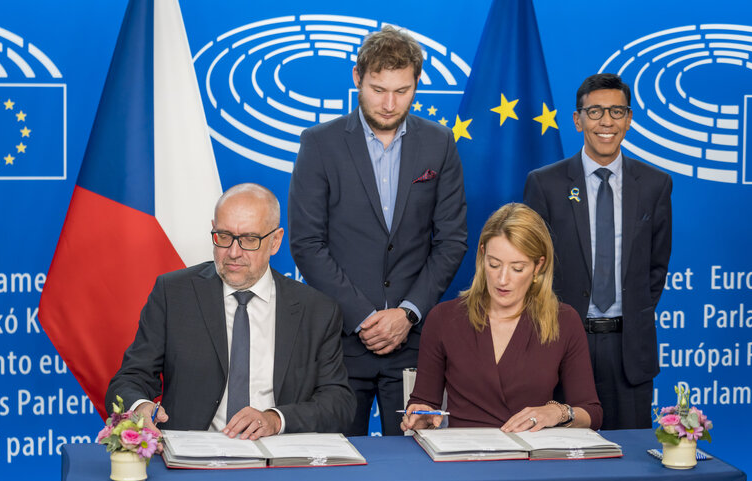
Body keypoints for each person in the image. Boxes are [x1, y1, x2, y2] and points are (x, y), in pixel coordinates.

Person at [289, 26, 467, 436]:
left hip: (415, 340)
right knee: (334, 465)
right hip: (339, 341)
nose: (389, 103)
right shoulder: (320, 143)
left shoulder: (439, 143)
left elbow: (452, 239)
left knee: (416, 469)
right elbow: (307, 243)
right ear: (357, 77)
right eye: (378, 89)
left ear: (416, 85)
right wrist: (366, 318)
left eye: (402, 91)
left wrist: (407, 313)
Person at [106, 183, 356, 440]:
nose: (234, 253)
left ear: (275, 241)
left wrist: (275, 419)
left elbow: (338, 403)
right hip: (192, 461)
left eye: (249, 239)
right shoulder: (173, 294)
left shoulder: (316, 310)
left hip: (279, 460)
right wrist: (140, 409)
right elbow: (129, 379)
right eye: (224, 237)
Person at [523, 73, 672, 429]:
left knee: (631, 458)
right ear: (578, 120)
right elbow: (532, 267)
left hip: (628, 348)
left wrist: (633, 315)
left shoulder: (655, 184)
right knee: (563, 460)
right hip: (561, 340)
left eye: (617, 112)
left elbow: (656, 266)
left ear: (629, 119)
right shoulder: (545, 183)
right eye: (595, 112)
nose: (607, 121)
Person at [402, 203, 602, 432]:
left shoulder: (564, 321)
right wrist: (421, 416)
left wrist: (557, 412)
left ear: (539, 266)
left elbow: (592, 413)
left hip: (533, 457)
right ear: (482, 255)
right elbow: (424, 403)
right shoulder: (443, 319)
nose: (502, 279)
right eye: (494, 264)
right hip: (465, 457)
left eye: (517, 268)